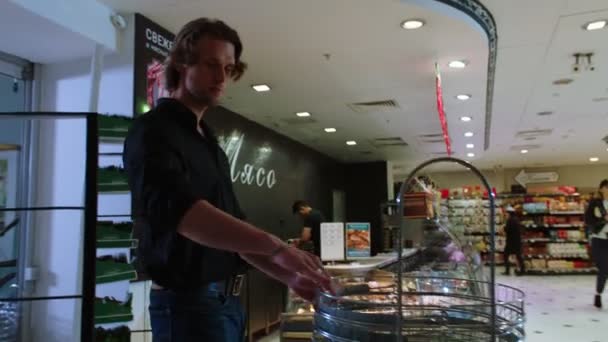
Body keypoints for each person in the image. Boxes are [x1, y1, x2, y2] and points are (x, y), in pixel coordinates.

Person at [123, 18, 332, 342]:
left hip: (226, 304)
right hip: (187, 307)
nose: (222, 77)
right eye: (211, 64)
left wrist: (287, 276)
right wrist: (277, 248)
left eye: (229, 68)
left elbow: (234, 231)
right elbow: (183, 213)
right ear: (180, 62)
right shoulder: (153, 130)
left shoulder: (209, 141)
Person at [586, 179, 608, 308]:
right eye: (606, 187)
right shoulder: (595, 203)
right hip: (599, 239)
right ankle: (598, 294)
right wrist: (603, 219)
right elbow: (588, 220)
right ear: (601, 189)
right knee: (604, 268)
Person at [502, 205, 525, 276]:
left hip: (511, 241)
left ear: (509, 213)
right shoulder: (516, 219)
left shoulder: (510, 220)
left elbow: (507, 230)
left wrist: (504, 228)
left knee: (506, 255)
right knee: (518, 256)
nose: (506, 214)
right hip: (517, 241)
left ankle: (507, 270)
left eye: (506, 213)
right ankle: (522, 270)